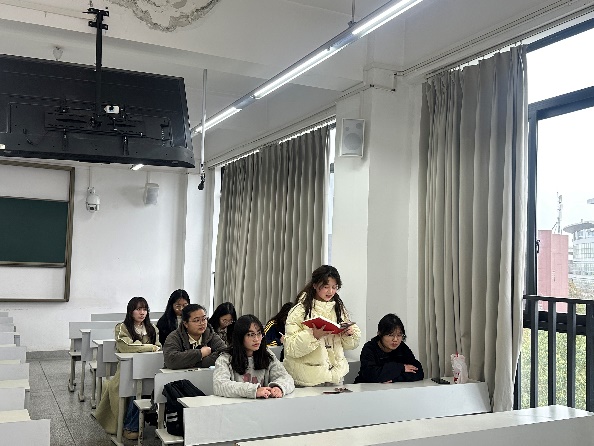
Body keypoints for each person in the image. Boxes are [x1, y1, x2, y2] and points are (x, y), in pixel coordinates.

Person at [283, 265, 361, 387]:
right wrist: (312, 336)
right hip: (309, 379)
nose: (330, 292)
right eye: (326, 287)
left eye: (334, 287)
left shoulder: (338, 309)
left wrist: (349, 334)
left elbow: (351, 345)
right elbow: (290, 348)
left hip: (336, 376)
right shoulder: (300, 311)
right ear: (315, 285)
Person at [95, 297, 161, 440]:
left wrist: (142, 346)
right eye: (138, 309)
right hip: (126, 372)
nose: (142, 313)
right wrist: (149, 347)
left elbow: (158, 347)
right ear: (131, 311)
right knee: (134, 389)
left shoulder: (152, 328)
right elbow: (125, 347)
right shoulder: (122, 327)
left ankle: (151, 423)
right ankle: (130, 427)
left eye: (144, 309)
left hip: (148, 370)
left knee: (153, 387)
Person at [213, 314, 295, 399]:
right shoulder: (225, 359)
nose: (256, 339)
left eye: (259, 333)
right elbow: (219, 385)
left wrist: (279, 387)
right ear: (240, 337)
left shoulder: (266, 354)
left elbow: (286, 378)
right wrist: (254, 391)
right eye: (251, 335)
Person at [354, 313, 424, 384]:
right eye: (390, 335)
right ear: (380, 334)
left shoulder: (402, 347)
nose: (395, 339)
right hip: (366, 388)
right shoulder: (369, 348)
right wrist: (400, 368)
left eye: (399, 335)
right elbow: (371, 375)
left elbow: (418, 372)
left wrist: (395, 378)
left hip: (391, 388)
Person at [163, 303, 226, 369]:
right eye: (196, 320)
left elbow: (225, 354)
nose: (202, 323)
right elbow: (171, 361)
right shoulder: (174, 337)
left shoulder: (211, 335)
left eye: (204, 319)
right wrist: (200, 353)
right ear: (186, 324)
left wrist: (195, 362)